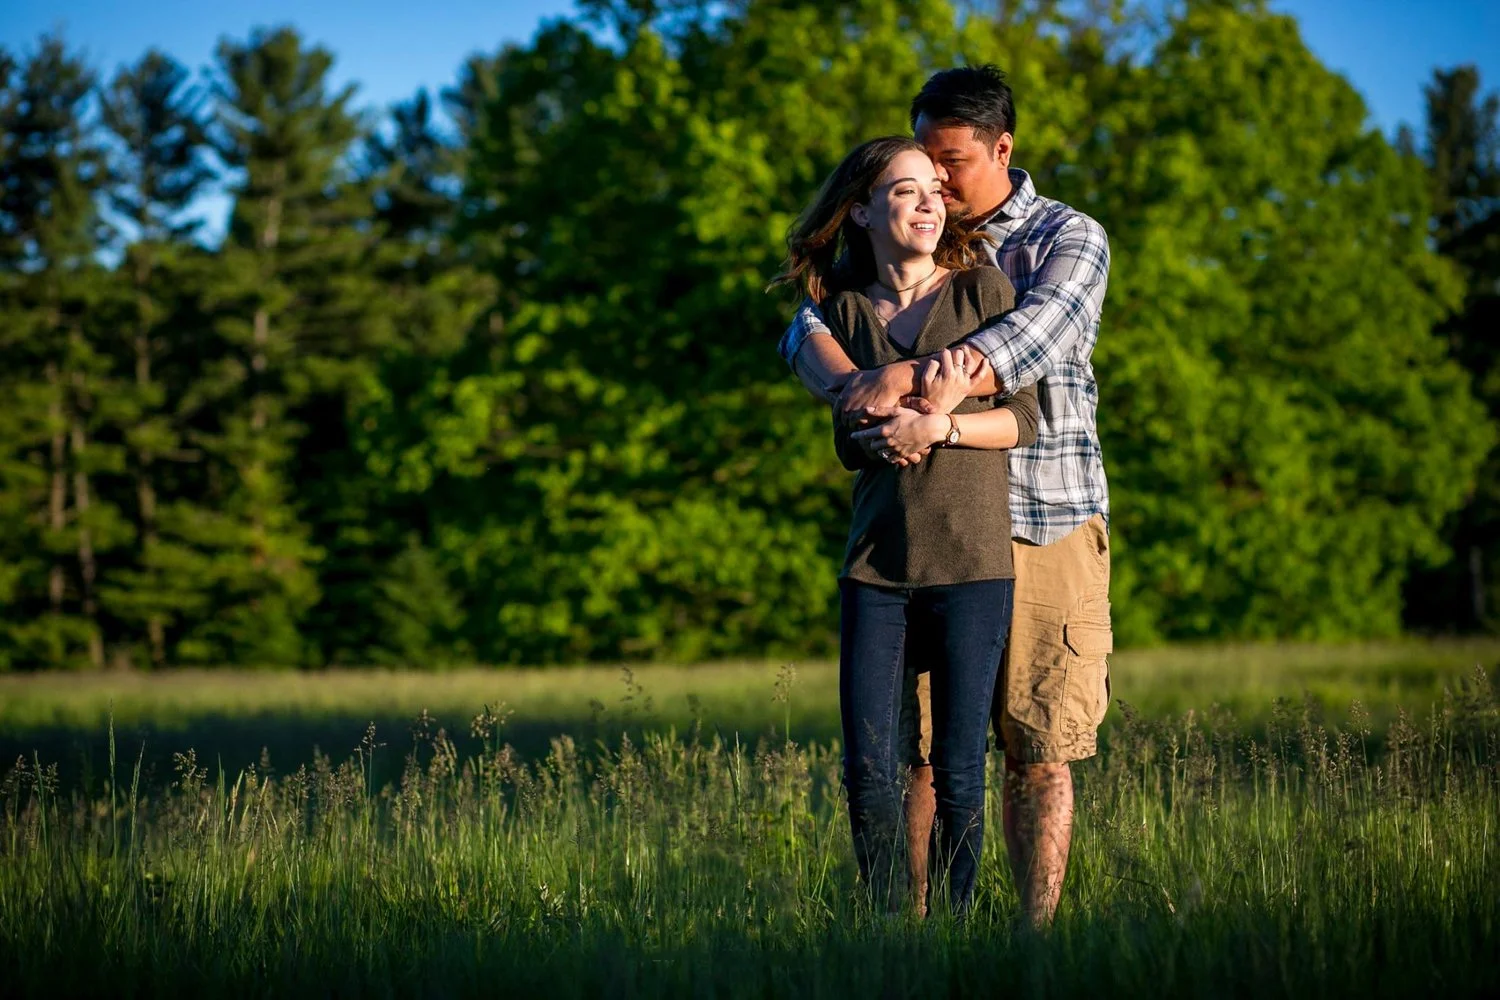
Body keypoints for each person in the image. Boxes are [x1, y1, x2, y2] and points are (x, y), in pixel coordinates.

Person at [779, 66, 1113, 928]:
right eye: (920, 163)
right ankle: (918, 937)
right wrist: (829, 360)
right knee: (922, 755)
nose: (936, 180)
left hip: (1042, 518)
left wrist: (892, 382)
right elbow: (811, 315)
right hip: (925, 532)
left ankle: (1029, 941)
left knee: (1036, 745)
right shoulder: (905, 233)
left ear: (1001, 150)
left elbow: (1019, 349)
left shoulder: (1063, 238)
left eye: (951, 162)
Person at [770, 135, 1038, 915]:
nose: (928, 202)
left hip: (973, 563)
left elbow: (1021, 419)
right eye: (904, 191)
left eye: (933, 189)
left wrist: (944, 427)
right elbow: (851, 435)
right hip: (876, 570)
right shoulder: (845, 312)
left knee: (959, 766)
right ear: (860, 211)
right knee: (870, 765)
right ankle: (887, 921)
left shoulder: (981, 292)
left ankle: (957, 926)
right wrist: (918, 405)